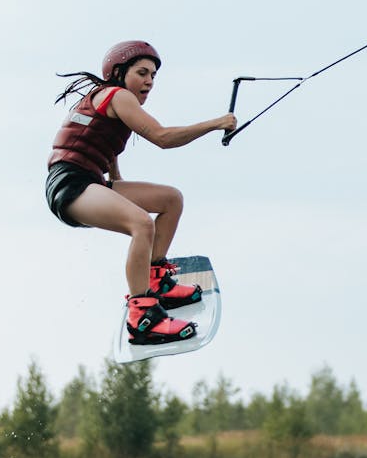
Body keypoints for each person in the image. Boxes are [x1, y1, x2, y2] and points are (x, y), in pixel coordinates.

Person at [46, 40, 237, 346]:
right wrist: (216, 123)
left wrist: (117, 181)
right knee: (141, 223)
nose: (149, 81)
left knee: (170, 199)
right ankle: (143, 317)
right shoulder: (118, 95)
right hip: (70, 185)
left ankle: (154, 281)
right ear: (119, 73)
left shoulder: (111, 101)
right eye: (142, 72)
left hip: (90, 181)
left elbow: (100, 142)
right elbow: (162, 137)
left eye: (153, 76)